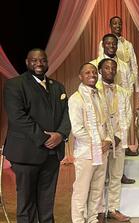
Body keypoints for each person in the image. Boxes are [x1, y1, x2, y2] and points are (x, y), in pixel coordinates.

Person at [3, 48, 71, 222]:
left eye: (42, 60)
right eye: (34, 60)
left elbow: (66, 115)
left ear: (47, 63)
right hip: (26, 153)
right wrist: (45, 138)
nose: (39, 64)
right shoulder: (15, 85)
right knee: (26, 203)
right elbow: (18, 117)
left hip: (52, 154)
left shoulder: (58, 87)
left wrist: (60, 135)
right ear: (27, 63)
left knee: (47, 203)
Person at [69, 63, 112, 223]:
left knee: (97, 189)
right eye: (87, 72)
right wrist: (96, 143)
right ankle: (79, 220)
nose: (92, 74)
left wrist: (107, 140)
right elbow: (77, 129)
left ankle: (93, 219)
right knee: (81, 190)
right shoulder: (76, 99)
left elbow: (106, 122)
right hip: (86, 153)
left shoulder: (100, 95)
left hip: (103, 151)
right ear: (81, 76)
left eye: (94, 72)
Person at [92, 33, 136, 184]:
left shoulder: (123, 66)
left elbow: (128, 85)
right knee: (104, 146)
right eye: (108, 44)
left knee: (118, 144)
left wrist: (124, 102)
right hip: (102, 111)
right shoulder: (94, 64)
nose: (111, 46)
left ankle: (119, 174)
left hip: (119, 106)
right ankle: (102, 177)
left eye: (114, 44)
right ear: (103, 45)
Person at [95, 59, 132, 222]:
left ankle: (113, 208)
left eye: (113, 68)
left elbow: (128, 115)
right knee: (100, 177)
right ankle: (99, 210)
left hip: (118, 138)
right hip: (101, 142)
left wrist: (117, 136)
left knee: (116, 176)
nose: (110, 70)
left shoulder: (123, 92)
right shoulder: (94, 90)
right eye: (107, 68)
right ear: (100, 70)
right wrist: (105, 139)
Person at [97, 16, 139, 156]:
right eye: (114, 23)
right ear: (110, 25)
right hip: (108, 82)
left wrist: (134, 87)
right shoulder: (103, 42)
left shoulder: (128, 44)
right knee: (109, 117)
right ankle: (108, 146)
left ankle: (124, 145)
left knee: (124, 116)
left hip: (123, 82)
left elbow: (134, 64)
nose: (117, 25)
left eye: (120, 23)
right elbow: (101, 63)